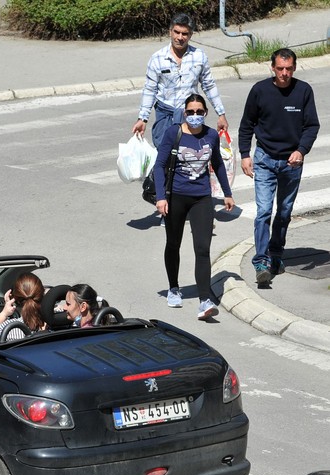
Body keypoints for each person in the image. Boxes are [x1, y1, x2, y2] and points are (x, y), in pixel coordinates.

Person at [238, 48, 320, 285]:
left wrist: (301, 150)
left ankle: (276, 254)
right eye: (280, 68)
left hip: (291, 163)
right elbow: (247, 125)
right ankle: (261, 261)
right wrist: (245, 155)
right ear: (272, 68)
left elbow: (311, 126)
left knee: (284, 212)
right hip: (264, 159)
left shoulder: (303, 91)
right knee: (264, 211)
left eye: (289, 69)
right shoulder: (260, 91)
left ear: (294, 68)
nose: (284, 73)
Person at [154, 94, 236, 320]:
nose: (195, 116)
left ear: (205, 113)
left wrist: (227, 193)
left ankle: (204, 299)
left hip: (202, 198)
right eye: (190, 112)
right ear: (184, 112)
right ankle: (173, 287)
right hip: (176, 197)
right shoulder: (174, 133)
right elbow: (159, 166)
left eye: (200, 112)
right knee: (173, 243)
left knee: (202, 248)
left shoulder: (211, 135)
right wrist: (161, 198)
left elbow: (217, 164)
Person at [132, 13, 228, 149]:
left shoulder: (199, 56)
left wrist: (221, 114)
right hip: (165, 115)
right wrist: (143, 119)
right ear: (170, 32)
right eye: (176, 32)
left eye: (185, 34)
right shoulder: (157, 58)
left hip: (191, 115)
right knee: (164, 159)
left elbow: (209, 85)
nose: (180, 38)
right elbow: (150, 90)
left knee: (192, 155)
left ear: (190, 35)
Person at [0, 273, 47, 343]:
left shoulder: (7, 329)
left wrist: (4, 314)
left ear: (15, 299)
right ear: (42, 294)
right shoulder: (57, 319)